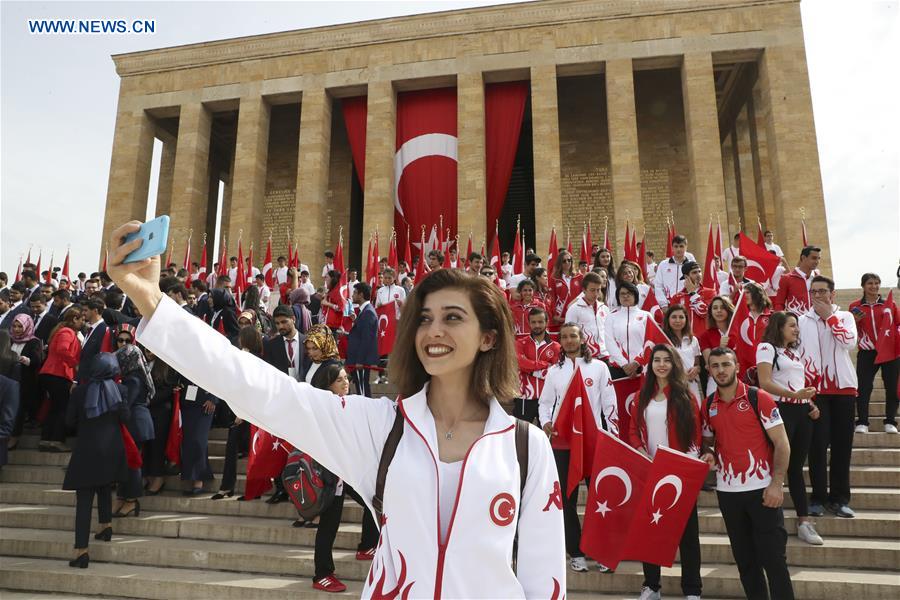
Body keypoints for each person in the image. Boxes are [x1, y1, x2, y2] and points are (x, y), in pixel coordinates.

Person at [109, 225, 566, 598]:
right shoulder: (380, 428)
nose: (433, 330)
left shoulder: (527, 447)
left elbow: (545, 581)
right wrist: (152, 302)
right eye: (424, 318)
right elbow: (263, 390)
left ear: (489, 337)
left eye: (452, 317)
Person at [702, 346, 794, 600]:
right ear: (709, 370)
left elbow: (782, 443)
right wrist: (708, 453)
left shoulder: (758, 397)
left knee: (774, 561)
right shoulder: (708, 404)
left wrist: (777, 484)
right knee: (746, 563)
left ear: (737, 367)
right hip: (728, 493)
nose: (721, 370)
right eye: (715, 366)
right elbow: (709, 442)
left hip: (763, 491)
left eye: (726, 364)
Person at [538, 322, 616, 573]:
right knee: (567, 501)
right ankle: (577, 552)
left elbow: (609, 404)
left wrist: (611, 436)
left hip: (594, 442)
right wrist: (547, 422)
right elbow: (545, 403)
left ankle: (601, 551)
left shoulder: (599, 367)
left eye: (574, 336)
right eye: (565, 337)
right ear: (560, 341)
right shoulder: (554, 371)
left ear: (583, 339)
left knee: (599, 498)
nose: (570, 340)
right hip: (563, 444)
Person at [628, 344, 703, 600]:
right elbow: (632, 431)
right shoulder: (641, 397)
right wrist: (639, 450)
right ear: (650, 365)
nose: (661, 365)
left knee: (688, 536)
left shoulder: (685, 396)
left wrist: (687, 464)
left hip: (679, 472)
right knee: (650, 533)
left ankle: (692, 590)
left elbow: (695, 436)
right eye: (656, 360)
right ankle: (652, 586)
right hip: (650, 471)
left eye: (666, 360)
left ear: (674, 364)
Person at [309, 362, 381, 592]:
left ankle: (366, 545)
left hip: (346, 473)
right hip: (330, 476)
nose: (346, 383)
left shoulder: (347, 404)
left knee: (374, 502)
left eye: (346, 378)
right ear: (328, 385)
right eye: (339, 380)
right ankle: (322, 574)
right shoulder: (323, 407)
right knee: (329, 527)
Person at [757, 311, 824, 545]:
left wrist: (809, 402)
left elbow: (797, 384)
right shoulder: (766, 348)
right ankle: (764, 521)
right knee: (773, 465)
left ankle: (804, 522)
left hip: (801, 411)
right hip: (779, 410)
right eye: (792, 325)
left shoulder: (795, 353)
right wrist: (794, 395)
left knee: (796, 467)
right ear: (779, 327)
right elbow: (764, 382)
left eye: (797, 326)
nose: (796, 329)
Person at [62, 353, 130, 569]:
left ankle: (81, 551)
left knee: (84, 500)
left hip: (87, 449)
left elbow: (69, 421)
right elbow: (126, 418)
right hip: (111, 448)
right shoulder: (120, 391)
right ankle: (105, 526)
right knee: (104, 485)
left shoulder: (80, 392)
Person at [799, 275, 858, 519]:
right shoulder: (802, 321)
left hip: (844, 390)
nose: (818, 296)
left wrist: (830, 318)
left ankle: (840, 498)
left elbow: (849, 342)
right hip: (816, 392)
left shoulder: (845, 316)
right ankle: (818, 498)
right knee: (817, 446)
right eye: (814, 292)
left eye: (823, 291)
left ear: (832, 294)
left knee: (842, 447)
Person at [213, 326, 263, 501]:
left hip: (249, 412)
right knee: (231, 449)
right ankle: (227, 487)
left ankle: (251, 489)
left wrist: (242, 412)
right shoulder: (242, 357)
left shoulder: (253, 360)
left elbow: (250, 387)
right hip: (238, 409)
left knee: (251, 452)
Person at [849, 273, 899, 433]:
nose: (874, 286)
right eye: (870, 283)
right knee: (863, 387)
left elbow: (898, 325)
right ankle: (862, 422)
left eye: (877, 283)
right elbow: (851, 331)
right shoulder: (855, 306)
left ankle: (890, 421)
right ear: (863, 285)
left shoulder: (890, 305)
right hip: (867, 352)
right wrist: (853, 321)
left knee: (892, 387)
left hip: (890, 351)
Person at [112, 341, 155, 516]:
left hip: (135, 424)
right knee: (126, 463)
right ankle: (123, 497)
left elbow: (126, 403)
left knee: (132, 464)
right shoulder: (136, 375)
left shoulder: (134, 378)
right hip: (135, 423)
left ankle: (132, 500)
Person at [38, 306, 83, 452]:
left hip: (51, 374)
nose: (83, 322)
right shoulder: (67, 332)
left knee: (55, 407)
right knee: (62, 408)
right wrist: (75, 365)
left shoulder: (61, 330)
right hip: (58, 374)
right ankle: (56, 440)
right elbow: (62, 349)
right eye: (81, 319)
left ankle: (46, 439)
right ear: (75, 319)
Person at [142, 347, 179, 495]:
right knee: (147, 444)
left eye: (151, 350)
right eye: (146, 350)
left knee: (157, 445)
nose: (148, 353)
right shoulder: (143, 364)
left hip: (161, 411)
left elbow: (168, 390)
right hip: (146, 411)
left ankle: (158, 477)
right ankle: (147, 475)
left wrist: (148, 400)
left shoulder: (166, 367)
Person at [514, 307, 560, 423]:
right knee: (520, 436)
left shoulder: (556, 347)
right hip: (524, 398)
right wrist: (544, 364)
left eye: (540, 322)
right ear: (529, 323)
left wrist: (529, 370)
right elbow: (520, 363)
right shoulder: (520, 343)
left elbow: (555, 373)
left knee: (546, 437)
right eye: (533, 322)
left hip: (547, 399)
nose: (537, 325)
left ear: (546, 322)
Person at [8, 314, 44, 447]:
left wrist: (25, 360)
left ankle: (14, 437)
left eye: (20, 326)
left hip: (24, 381)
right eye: (15, 326)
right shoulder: (10, 339)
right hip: (9, 378)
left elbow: (37, 360)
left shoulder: (33, 341)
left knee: (18, 409)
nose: (17, 329)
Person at [604, 282, 651, 379]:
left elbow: (649, 341)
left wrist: (636, 363)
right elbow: (609, 342)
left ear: (635, 295)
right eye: (622, 293)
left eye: (629, 293)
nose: (625, 296)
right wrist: (624, 365)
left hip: (642, 366)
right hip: (617, 368)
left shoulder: (646, 316)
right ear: (618, 297)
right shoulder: (611, 316)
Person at [564, 271, 609, 359]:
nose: (596, 293)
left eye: (598, 290)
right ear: (584, 290)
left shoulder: (604, 308)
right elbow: (568, 333)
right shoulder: (574, 309)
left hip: (605, 356)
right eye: (592, 290)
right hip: (585, 357)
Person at [663, 304, 702, 401]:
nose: (677, 320)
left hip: (691, 385)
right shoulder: (663, 339)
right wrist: (680, 374)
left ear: (686, 319)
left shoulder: (693, 340)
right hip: (671, 385)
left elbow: (697, 363)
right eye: (674, 317)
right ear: (668, 319)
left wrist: (696, 369)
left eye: (681, 317)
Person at [346, 282, 378, 397]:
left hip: (361, 362)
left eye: (354, 293)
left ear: (361, 295)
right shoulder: (364, 311)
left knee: (363, 391)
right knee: (361, 389)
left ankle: (367, 413)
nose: (352, 295)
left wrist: (359, 360)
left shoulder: (368, 312)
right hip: (358, 360)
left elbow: (366, 339)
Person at [669, 261, 716, 338]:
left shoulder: (710, 293)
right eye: (694, 273)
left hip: (705, 340)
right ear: (686, 277)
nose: (698, 275)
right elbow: (671, 321)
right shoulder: (677, 297)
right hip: (684, 340)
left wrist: (693, 293)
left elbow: (705, 313)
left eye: (699, 272)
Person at [699, 295, 734, 396]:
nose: (718, 310)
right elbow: (709, 362)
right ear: (711, 312)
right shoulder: (706, 335)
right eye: (715, 308)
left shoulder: (737, 331)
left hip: (737, 378)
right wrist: (720, 348)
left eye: (722, 307)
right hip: (716, 380)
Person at [773, 245, 820, 313]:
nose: (817, 261)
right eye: (814, 258)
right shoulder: (786, 279)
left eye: (819, 258)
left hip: (817, 322)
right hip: (795, 322)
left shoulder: (820, 279)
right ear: (803, 258)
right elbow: (779, 304)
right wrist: (780, 322)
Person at [549, 250, 582, 337]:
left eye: (569, 260)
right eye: (564, 261)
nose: (567, 262)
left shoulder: (579, 276)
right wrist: (554, 315)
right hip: (561, 315)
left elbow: (582, 295)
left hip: (577, 312)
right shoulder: (554, 279)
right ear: (560, 263)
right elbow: (552, 297)